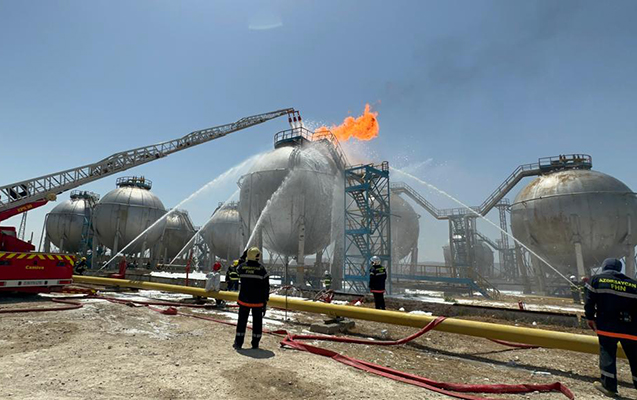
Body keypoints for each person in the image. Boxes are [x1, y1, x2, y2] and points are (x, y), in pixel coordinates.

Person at [584, 258, 637, 397]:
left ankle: (609, 387)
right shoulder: (633, 284)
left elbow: (589, 301)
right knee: (635, 358)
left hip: (607, 327)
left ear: (604, 267)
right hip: (630, 329)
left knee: (607, 355)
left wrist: (590, 317)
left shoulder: (596, 280)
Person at [233, 247, 269, 350]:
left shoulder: (242, 267)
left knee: (241, 322)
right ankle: (255, 344)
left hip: (244, 301)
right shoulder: (262, 269)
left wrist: (242, 258)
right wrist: (265, 301)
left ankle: (238, 343)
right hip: (258, 302)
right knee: (257, 323)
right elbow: (266, 287)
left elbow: (236, 270)